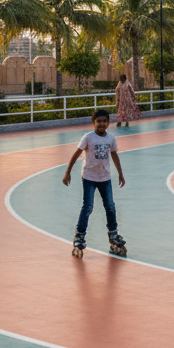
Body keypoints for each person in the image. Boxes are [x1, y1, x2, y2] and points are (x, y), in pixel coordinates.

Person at [62, 108, 127, 257]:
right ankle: (79, 237)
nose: (102, 124)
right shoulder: (88, 138)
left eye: (104, 121)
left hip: (105, 178)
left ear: (108, 123)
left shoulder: (111, 138)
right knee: (88, 207)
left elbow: (115, 156)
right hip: (89, 177)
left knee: (110, 206)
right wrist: (67, 172)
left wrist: (120, 174)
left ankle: (113, 234)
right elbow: (76, 154)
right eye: (99, 121)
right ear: (93, 123)